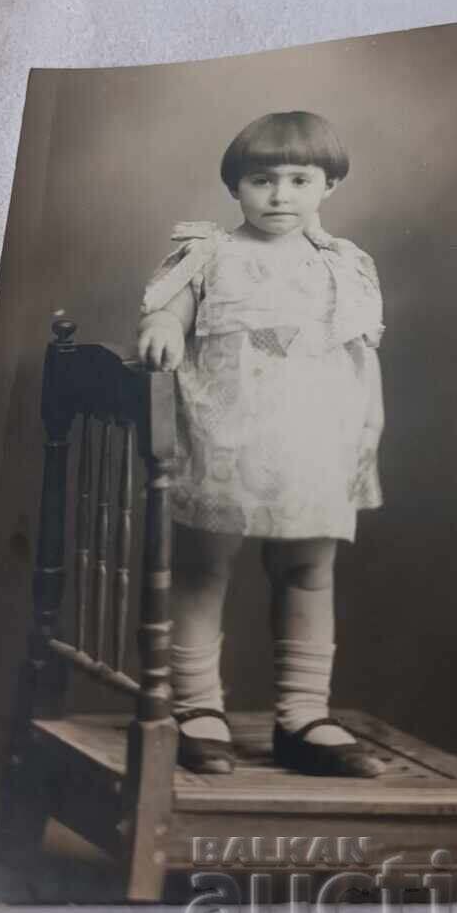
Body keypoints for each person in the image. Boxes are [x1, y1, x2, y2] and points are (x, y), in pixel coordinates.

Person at [137, 111, 386, 777]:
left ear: (327, 184)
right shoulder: (211, 253)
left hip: (314, 440)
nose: (279, 195)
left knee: (308, 572)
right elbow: (172, 306)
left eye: (298, 179)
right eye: (261, 180)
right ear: (235, 187)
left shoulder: (344, 263)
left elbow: (362, 352)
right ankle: (196, 708)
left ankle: (303, 716)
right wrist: (164, 323)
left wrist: (365, 429)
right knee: (202, 568)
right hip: (225, 437)